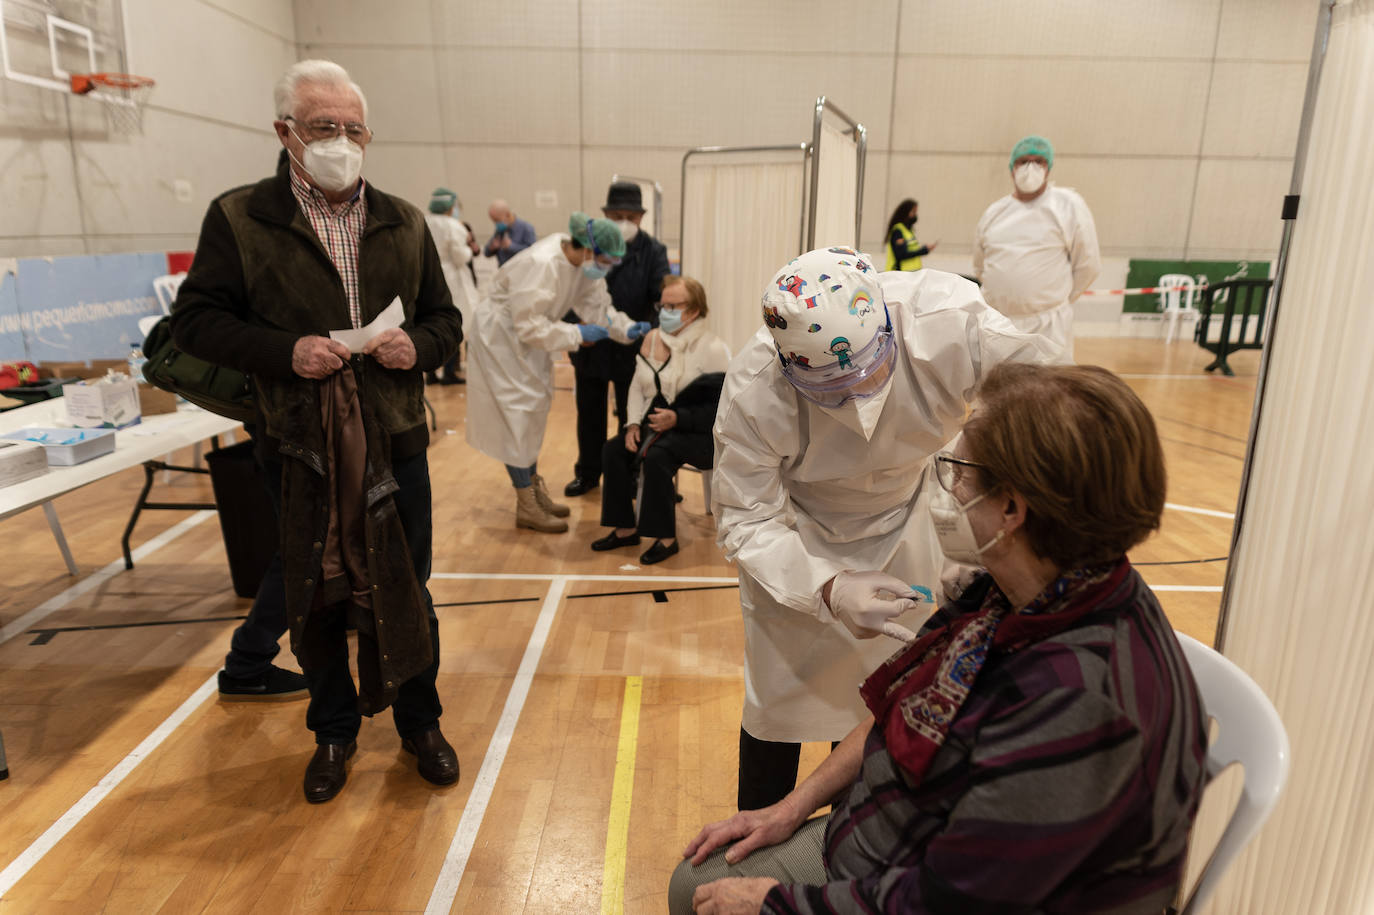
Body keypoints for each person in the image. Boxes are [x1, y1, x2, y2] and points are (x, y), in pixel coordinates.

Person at [672, 362, 1209, 915]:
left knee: (702, 896)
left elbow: (947, 902)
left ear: (1010, 509)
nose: (950, 485)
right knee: (697, 884)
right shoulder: (1021, 587)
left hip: (915, 884)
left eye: (961, 469)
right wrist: (790, 807)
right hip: (887, 841)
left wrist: (778, 905)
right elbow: (898, 709)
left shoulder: (1072, 703)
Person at [171, 59, 463, 804]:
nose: (341, 140)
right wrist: (286, 351)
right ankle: (333, 729)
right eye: (323, 126)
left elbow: (445, 320)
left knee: (409, 586)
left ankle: (419, 721)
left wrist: (419, 348)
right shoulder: (241, 218)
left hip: (395, 435)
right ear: (286, 133)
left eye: (352, 128)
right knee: (319, 594)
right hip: (300, 445)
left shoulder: (403, 218)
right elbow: (198, 322)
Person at [712, 246, 1059, 812]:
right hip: (799, 538)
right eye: (829, 388)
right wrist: (827, 587)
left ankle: (845, 845)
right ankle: (757, 836)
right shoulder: (754, 391)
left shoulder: (947, 320)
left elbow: (1043, 398)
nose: (854, 401)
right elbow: (746, 518)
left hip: (909, 518)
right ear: (788, 364)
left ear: (887, 327)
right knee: (779, 707)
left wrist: (980, 484)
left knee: (881, 702)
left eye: (866, 373)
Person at [465, 213, 650, 533]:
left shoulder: (583, 267)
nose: (606, 268)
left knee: (534, 410)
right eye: (605, 261)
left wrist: (625, 329)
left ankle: (533, 490)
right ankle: (526, 503)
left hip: (531, 340)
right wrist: (577, 335)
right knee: (517, 415)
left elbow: (599, 309)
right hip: (501, 340)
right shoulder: (542, 263)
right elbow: (528, 325)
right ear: (587, 249)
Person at [591, 275, 730, 564]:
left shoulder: (713, 348)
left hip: (701, 432)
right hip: (660, 425)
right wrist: (631, 425)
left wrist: (678, 417)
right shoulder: (653, 339)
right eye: (661, 305)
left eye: (672, 306)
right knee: (614, 450)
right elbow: (636, 387)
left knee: (656, 456)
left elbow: (720, 409)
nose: (663, 312)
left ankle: (665, 539)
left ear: (693, 310)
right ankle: (625, 529)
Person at [563, 181, 671, 499]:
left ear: (640, 218)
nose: (624, 220)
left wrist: (648, 332)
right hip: (591, 346)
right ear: (606, 215)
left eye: (630, 215)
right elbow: (569, 295)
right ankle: (588, 472)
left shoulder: (654, 252)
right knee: (589, 413)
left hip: (633, 349)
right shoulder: (588, 245)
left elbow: (662, 299)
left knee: (631, 416)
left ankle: (629, 471)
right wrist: (577, 328)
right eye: (617, 214)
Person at [972, 135, 1100, 360]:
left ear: (1048, 167)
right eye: (1023, 161)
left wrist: (1052, 300)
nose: (1030, 167)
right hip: (999, 323)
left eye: (1038, 161)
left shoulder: (1068, 205)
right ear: (1012, 168)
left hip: (1049, 325)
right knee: (999, 390)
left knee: (1051, 392)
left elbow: (1088, 265)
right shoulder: (995, 212)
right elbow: (980, 266)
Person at [424, 187, 477, 385]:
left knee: (430, 323)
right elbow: (460, 256)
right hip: (452, 279)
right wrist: (469, 249)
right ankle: (449, 372)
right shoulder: (453, 226)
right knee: (455, 323)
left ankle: (429, 373)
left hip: (428, 277)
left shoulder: (423, 221)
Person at [883, 198, 936, 271]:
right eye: (913, 212)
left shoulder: (908, 231)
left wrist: (924, 249)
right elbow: (901, 254)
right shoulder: (898, 231)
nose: (915, 215)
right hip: (899, 274)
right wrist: (923, 251)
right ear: (905, 212)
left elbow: (911, 249)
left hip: (910, 274)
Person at [483, 199, 536, 266]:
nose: (496, 224)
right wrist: (492, 247)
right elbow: (486, 253)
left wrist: (511, 246)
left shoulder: (527, 228)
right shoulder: (499, 230)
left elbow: (532, 253)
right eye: (494, 221)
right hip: (503, 272)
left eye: (497, 220)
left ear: (507, 215)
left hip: (521, 272)